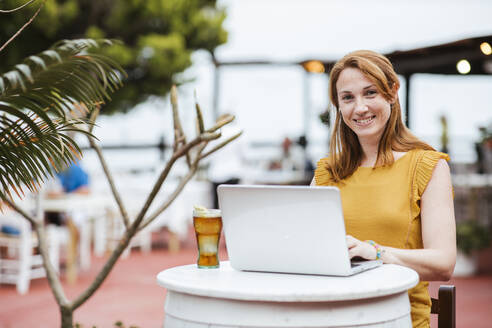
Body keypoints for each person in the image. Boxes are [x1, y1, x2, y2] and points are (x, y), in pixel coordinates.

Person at [311, 50, 456, 328]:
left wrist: (376, 253)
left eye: (370, 93)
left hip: (398, 319)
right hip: (331, 318)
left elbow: (444, 263)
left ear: (392, 92)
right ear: (338, 105)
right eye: (348, 97)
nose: (360, 107)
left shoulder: (428, 166)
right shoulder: (325, 174)